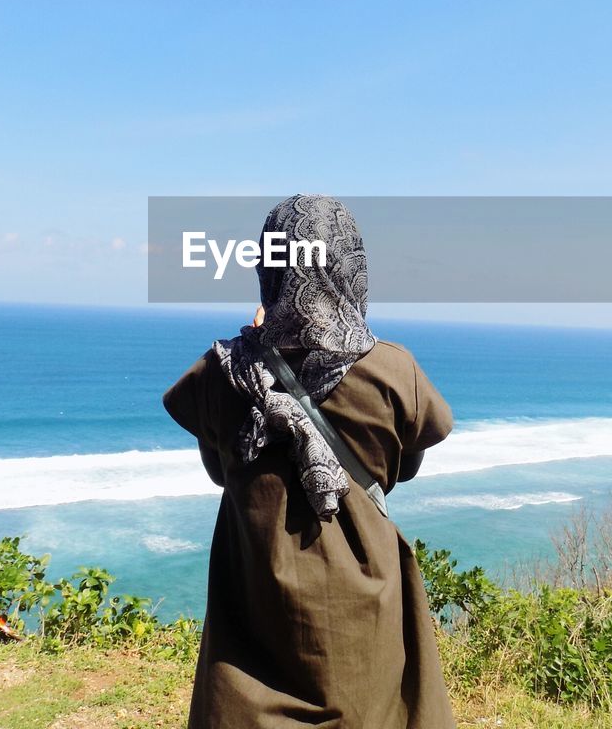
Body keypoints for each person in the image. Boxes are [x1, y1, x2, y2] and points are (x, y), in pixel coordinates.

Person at [163, 194, 455, 729]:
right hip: (359, 609)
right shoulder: (392, 371)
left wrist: (257, 345)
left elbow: (217, 471)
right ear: (351, 266)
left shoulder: (219, 374)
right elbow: (405, 467)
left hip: (253, 606)